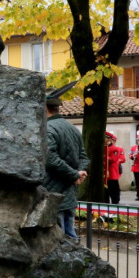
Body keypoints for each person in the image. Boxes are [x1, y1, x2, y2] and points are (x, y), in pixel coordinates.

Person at [43, 86, 90, 240]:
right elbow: (84, 157)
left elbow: (50, 160)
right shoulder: (72, 128)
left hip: (53, 195)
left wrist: (74, 174)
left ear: (45, 108)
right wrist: (79, 173)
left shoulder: (47, 129)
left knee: (58, 241)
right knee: (71, 237)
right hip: (70, 195)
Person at [104, 131, 125, 205]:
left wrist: (105, 157)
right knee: (105, 192)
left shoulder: (116, 149)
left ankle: (115, 203)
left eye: (106, 138)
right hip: (104, 174)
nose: (104, 139)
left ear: (110, 139)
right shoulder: (103, 147)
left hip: (112, 172)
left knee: (114, 190)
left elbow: (113, 159)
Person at [130, 131, 139, 201]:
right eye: (138, 140)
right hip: (136, 167)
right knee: (138, 182)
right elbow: (130, 155)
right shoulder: (134, 147)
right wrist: (132, 156)